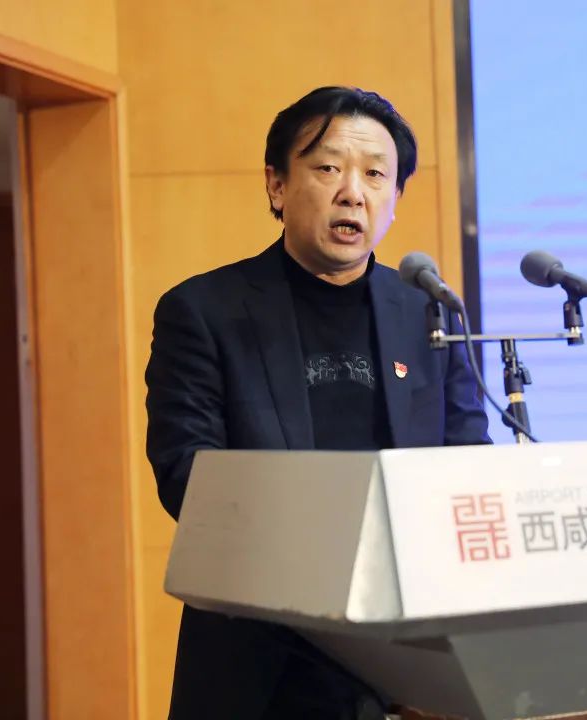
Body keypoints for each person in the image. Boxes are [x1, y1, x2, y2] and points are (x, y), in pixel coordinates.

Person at [145, 86, 491, 720]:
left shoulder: (428, 312)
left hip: (411, 659)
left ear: (394, 198)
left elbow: (467, 459)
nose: (352, 192)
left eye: (375, 175)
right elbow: (187, 476)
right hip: (261, 662)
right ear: (277, 186)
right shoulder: (203, 311)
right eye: (329, 167)